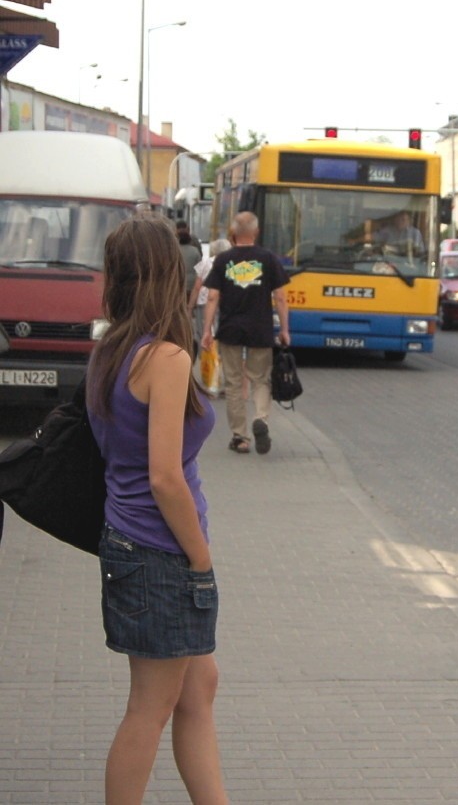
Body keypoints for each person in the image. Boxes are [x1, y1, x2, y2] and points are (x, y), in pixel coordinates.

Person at [86, 215, 227, 805]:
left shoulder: (110, 349)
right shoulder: (165, 358)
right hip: (162, 551)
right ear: (165, 275)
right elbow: (166, 477)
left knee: (197, 690)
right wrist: (199, 557)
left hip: (130, 541)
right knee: (150, 708)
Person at [201, 211, 290, 455]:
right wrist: (284, 329)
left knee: (232, 382)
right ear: (256, 232)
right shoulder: (269, 259)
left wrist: (207, 330)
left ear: (233, 234)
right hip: (260, 328)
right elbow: (281, 297)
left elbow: (212, 296)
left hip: (230, 329)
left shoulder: (222, 260)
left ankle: (240, 437)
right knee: (260, 379)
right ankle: (261, 418)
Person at [187, 238, 231, 352]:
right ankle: (219, 357)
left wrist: (190, 306)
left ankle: (207, 360)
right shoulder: (232, 264)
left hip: (204, 302)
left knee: (203, 333)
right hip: (224, 303)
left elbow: (197, 286)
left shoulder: (206, 263)